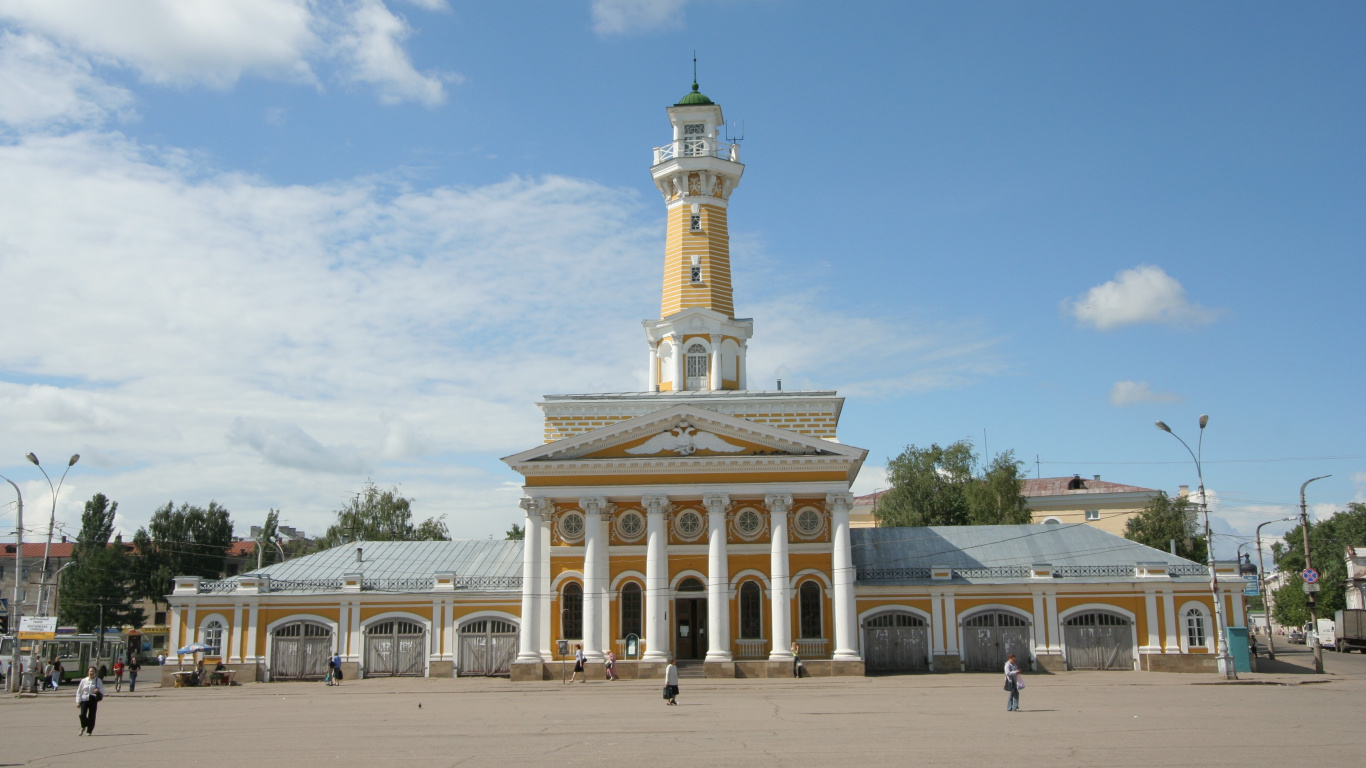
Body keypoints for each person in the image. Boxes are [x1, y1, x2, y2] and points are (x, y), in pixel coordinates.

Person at [76, 666, 105, 736]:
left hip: (93, 699)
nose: (91, 672)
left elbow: (103, 690)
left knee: (92, 715)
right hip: (84, 699)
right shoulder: (84, 681)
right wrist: (78, 701)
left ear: (95, 673)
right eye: (90, 671)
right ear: (88, 672)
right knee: (82, 715)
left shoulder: (98, 680)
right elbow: (79, 691)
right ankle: (83, 726)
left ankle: (89, 731)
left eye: (93, 671)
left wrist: (98, 690)